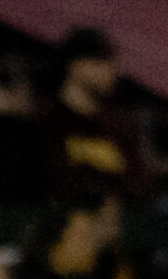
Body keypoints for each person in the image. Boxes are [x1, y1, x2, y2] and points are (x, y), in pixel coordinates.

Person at [41, 26, 148, 203]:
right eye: (101, 62)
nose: (113, 71)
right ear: (75, 66)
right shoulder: (47, 119)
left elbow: (140, 186)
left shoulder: (120, 123)